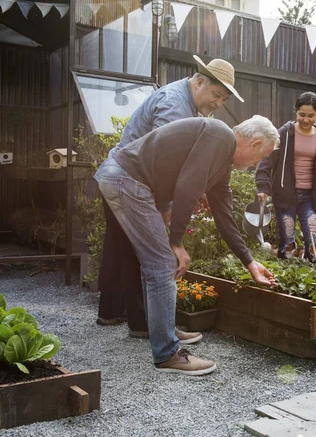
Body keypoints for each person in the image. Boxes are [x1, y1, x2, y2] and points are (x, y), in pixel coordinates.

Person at [94, 115, 279, 375]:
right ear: (255, 143)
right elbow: (187, 188)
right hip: (127, 179)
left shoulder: (221, 160)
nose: (256, 164)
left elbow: (224, 216)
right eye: (261, 156)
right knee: (161, 263)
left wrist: (250, 262)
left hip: (121, 177)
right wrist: (177, 242)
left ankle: (161, 332)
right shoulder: (221, 136)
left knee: (154, 263)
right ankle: (168, 353)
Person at [96, 55, 243, 343]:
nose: (218, 104)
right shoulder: (175, 104)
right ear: (199, 81)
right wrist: (165, 208)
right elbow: (168, 163)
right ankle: (145, 325)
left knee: (119, 247)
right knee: (145, 253)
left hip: (116, 176)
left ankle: (111, 311)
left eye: (223, 99)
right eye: (216, 95)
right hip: (131, 181)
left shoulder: (189, 104)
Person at [255, 92, 316, 261]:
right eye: (302, 115)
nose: (306, 120)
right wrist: (262, 187)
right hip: (285, 195)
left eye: (311, 116)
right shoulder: (285, 133)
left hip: (309, 198)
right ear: (296, 112)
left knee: (314, 242)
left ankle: (310, 278)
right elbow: (267, 160)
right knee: (288, 241)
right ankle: (286, 279)